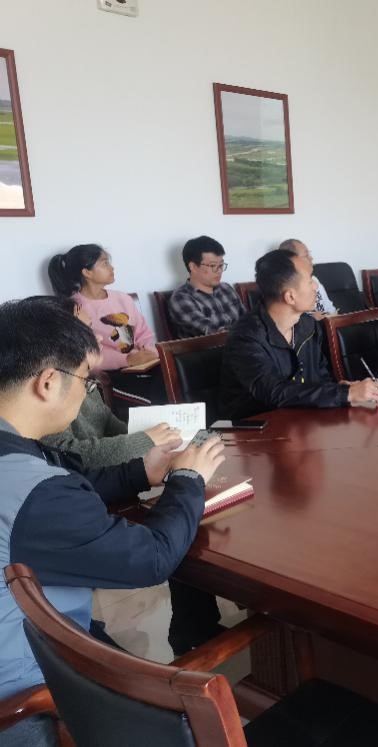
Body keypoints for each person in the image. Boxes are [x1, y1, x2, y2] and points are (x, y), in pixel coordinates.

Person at [0, 297, 224, 745]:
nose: (88, 392)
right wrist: (187, 480)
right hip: (29, 687)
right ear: (48, 382)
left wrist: (141, 471)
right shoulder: (34, 491)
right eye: (86, 380)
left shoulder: (17, 452)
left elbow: (58, 485)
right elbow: (150, 560)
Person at [219, 249, 378, 419]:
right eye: (310, 280)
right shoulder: (245, 338)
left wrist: (342, 389)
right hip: (259, 427)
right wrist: (345, 393)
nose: (316, 286)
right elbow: (274, 392)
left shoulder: (308, 325)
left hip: (303, 422)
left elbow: (321, 379)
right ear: (290, 297)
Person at [35, 296, 179, 467]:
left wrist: (152, 442)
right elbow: (68, 455)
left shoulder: (84, 380)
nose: (98, 337)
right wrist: (146, 440)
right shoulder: (47, 390)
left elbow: (108, 423)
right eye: (86, 331)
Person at [47, 244, 159, 372]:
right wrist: (128, 360)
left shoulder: (124, 299)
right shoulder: (75, 309)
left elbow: (144, 334)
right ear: (87, 272)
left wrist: (150, 352)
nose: (112, 267)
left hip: (143, 364)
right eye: (105, 263)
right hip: (110, 373)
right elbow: (86, 354)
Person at [168, 235, 244, 338]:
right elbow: (214, 333)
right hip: (215, 347)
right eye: (213, 266)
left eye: (221, 265)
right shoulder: (181, 298)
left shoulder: (226, 288)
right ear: (193, 266)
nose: (219, 271)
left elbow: (248, 319)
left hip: (245, 343)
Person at [277, 238, 336, 315]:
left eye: (309, 254)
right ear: (292, 260)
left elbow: (330, 308)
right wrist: (313, 317)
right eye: (306, 255)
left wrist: (332, 316)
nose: (311, 258)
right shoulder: (287, 286)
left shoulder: (314, 279)